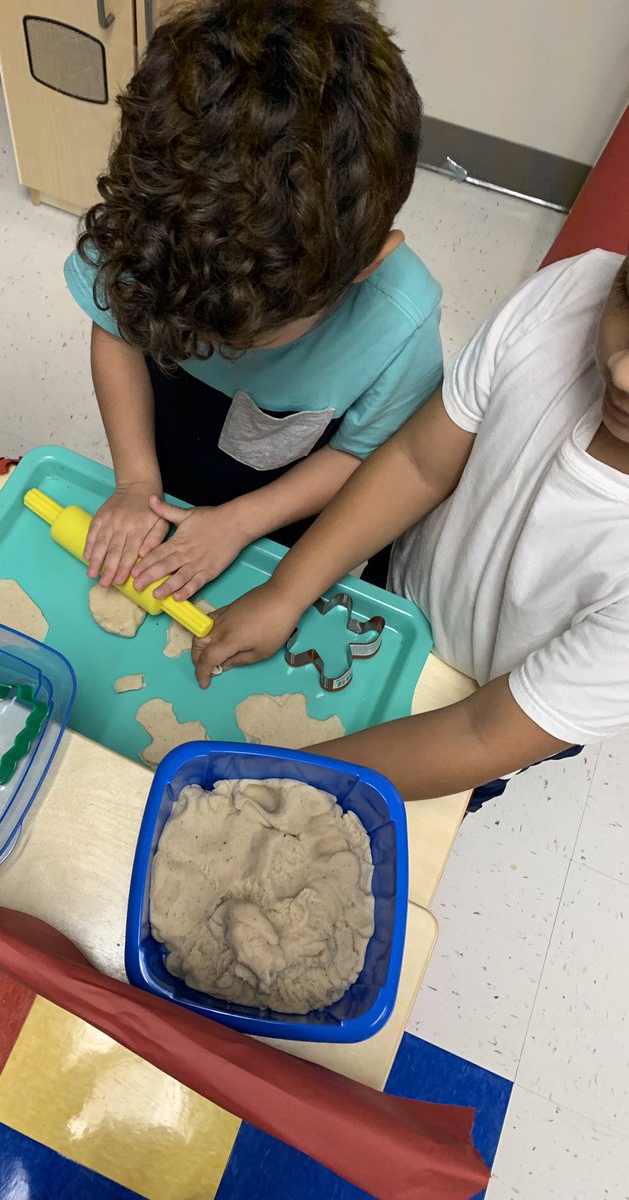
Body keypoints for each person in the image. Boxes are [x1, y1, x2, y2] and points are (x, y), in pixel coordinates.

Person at [191, 248, 629, 805]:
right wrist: (286, 591)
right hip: (396, 602)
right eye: (627, 298)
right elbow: (420, 462)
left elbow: (480, 732)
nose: (621, 371)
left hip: (487, 706)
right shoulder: (572, 288)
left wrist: (270, 779)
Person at [64, 0, 443, 602]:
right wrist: (136, 480)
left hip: (284, 519)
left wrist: (241, 522)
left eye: (245, 338)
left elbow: (362, 456)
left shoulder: (398, 324)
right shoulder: (150, 234)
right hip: (167, 461)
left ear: (365, 267)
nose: (212, 348)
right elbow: (116, 331)